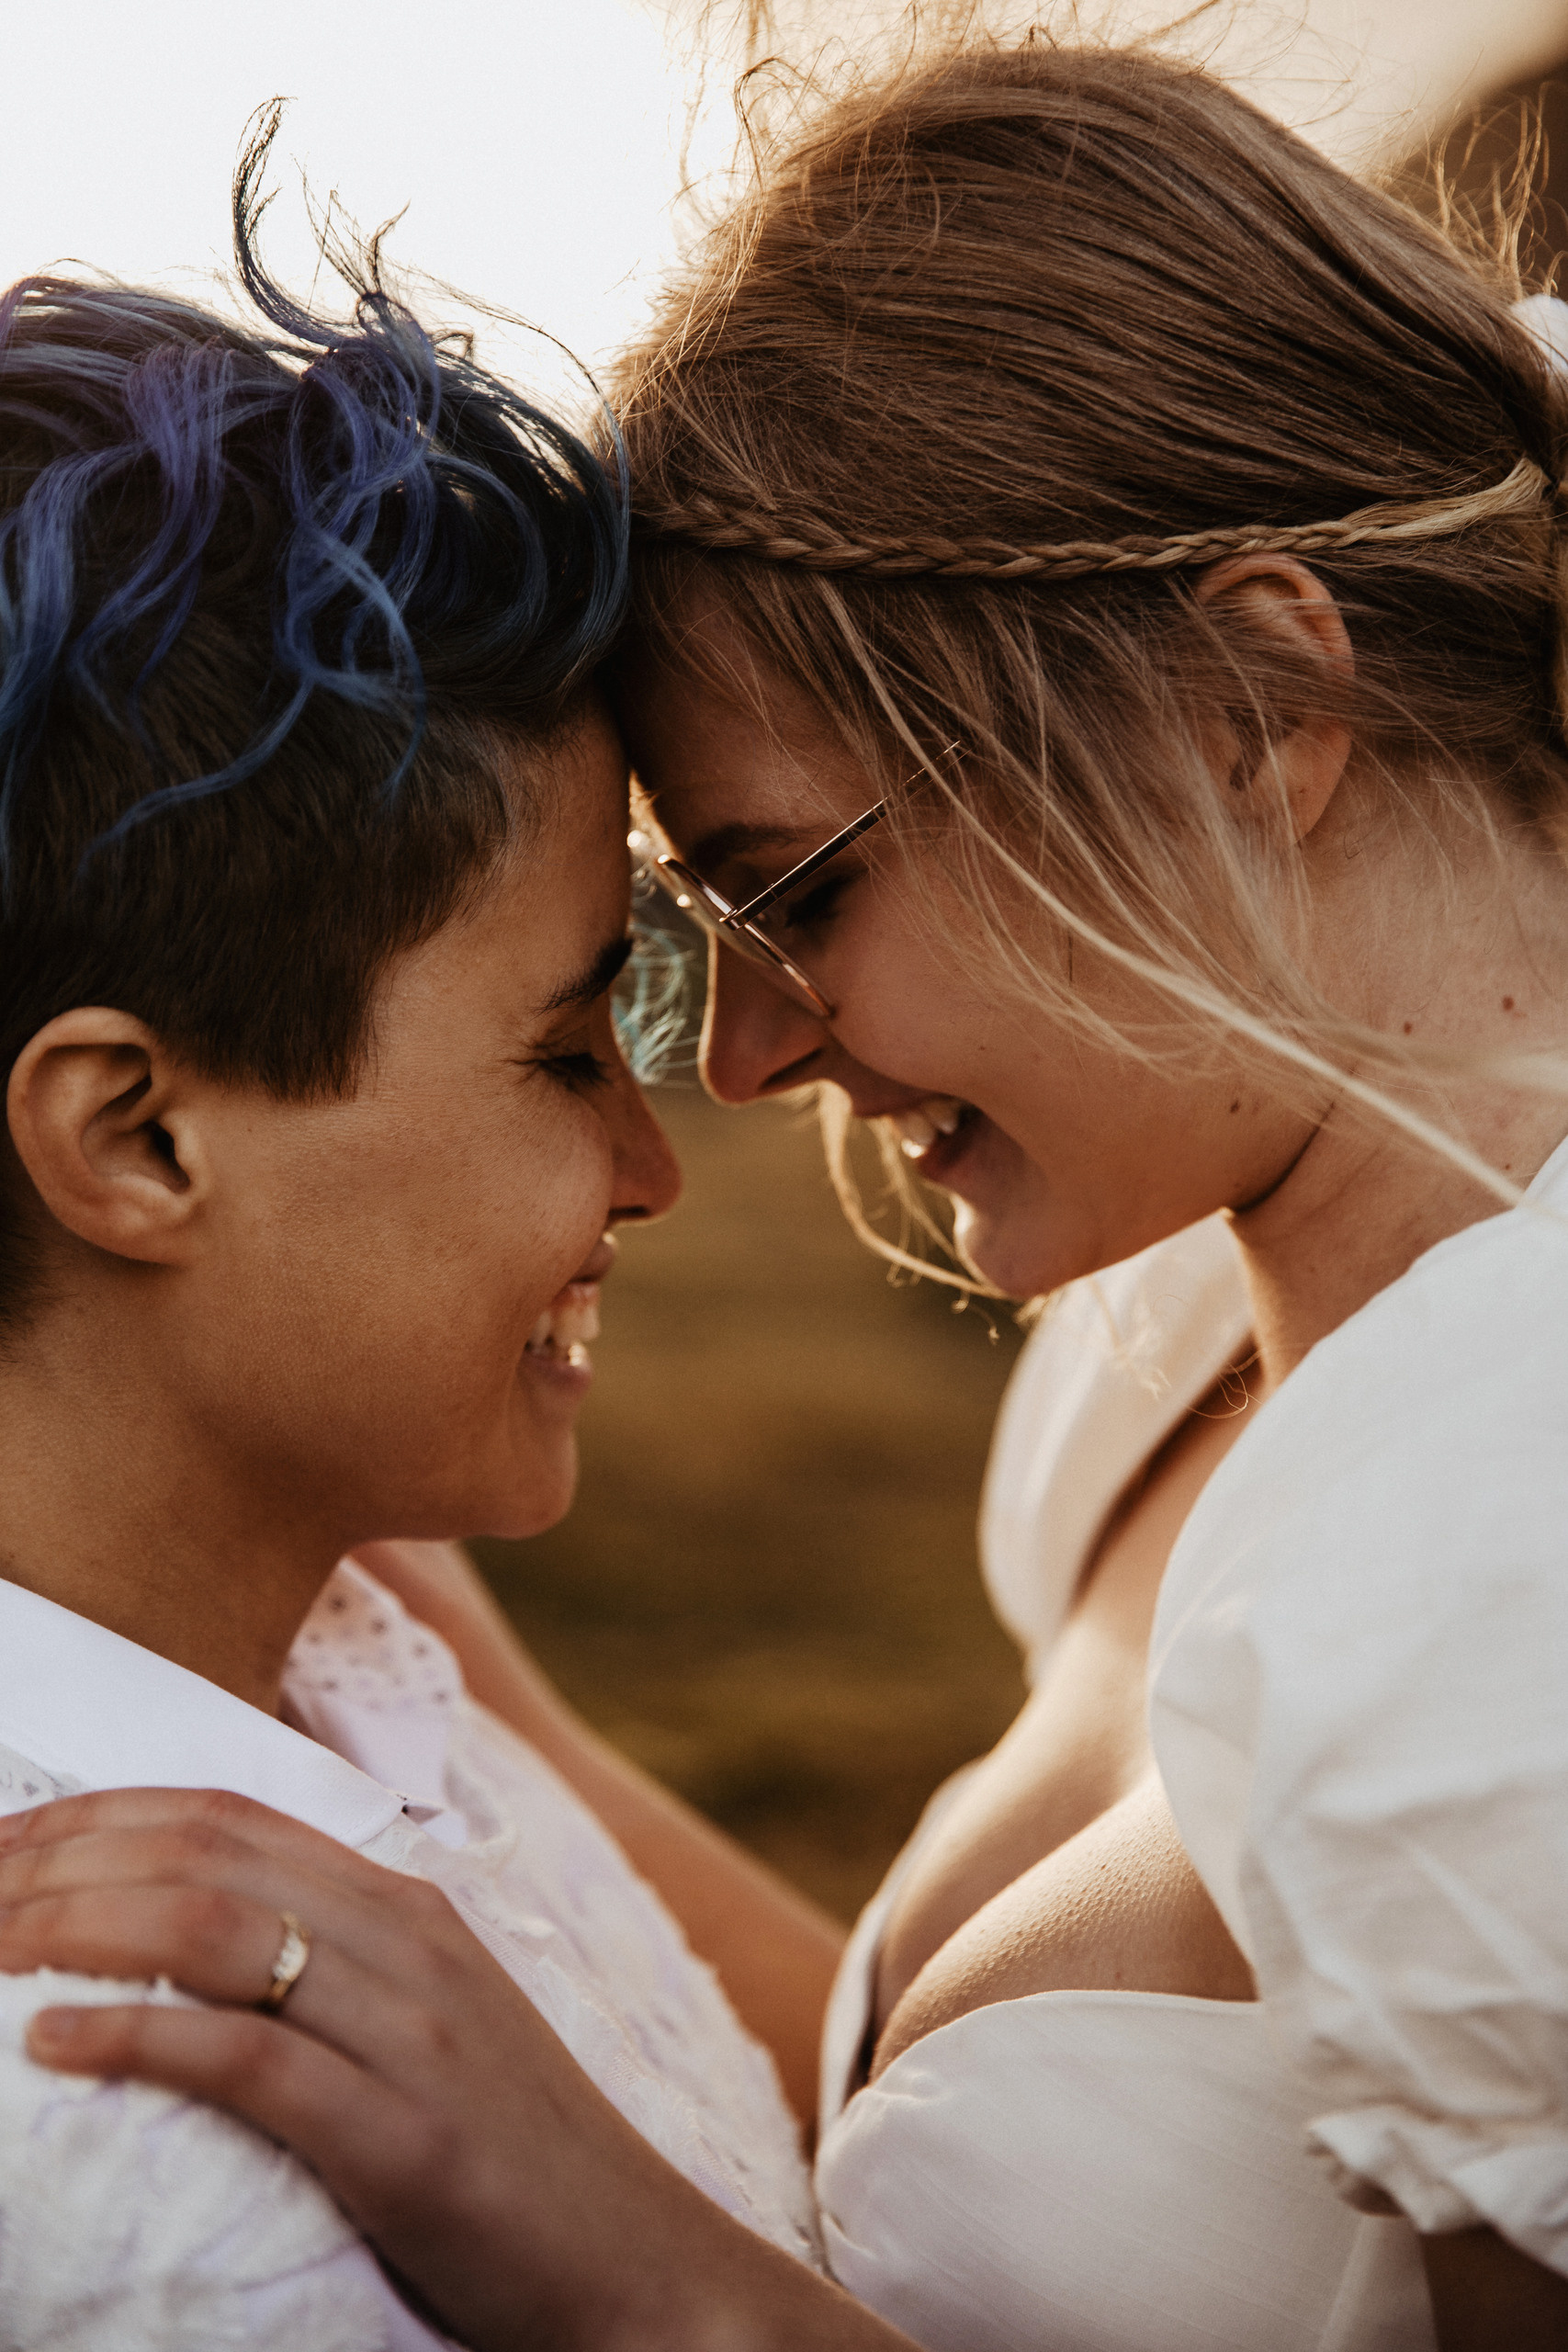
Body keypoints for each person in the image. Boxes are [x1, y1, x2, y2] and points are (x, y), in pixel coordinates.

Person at [8, 29, 1568, 2352]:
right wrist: (481, 1746)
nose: (733, 1063)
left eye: (791, 890)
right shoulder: (1178, 1331)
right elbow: (1076, 2137)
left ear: (1250, 709)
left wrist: (679, 2303)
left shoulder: (1488, 1533)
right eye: (651, 973)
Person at [0, 123, 840, 2346]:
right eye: (568, 1051)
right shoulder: (111, 2105)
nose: (654, 1165)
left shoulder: (342, 1649)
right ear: (136, 1140)